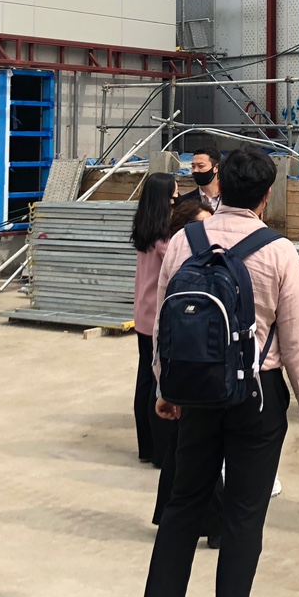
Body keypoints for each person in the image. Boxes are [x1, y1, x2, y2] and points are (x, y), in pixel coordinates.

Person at [144, 149, 299, 597]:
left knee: (185, 502)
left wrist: (165, 386)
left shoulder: (184, 239)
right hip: (258, 394)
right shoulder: (279, 250)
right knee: (245, 514)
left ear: (219, 185)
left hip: (197, 389)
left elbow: (166, 322)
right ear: (267, 196)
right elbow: (297, 338)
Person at [150, 199, 222, 542]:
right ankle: (211, 525)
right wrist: (165, 385)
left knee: (186, 449)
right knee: (194, 451)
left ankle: (176, 518)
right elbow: (162, 326)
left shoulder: (211, 264)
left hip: (199, 364)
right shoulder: (179, 263)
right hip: (185, 366)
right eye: (201, 225)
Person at [132, 172, 179, 467]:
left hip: (142, 314)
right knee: (159, 384)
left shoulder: (144, 227)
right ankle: (161, 452)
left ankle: (146, 447)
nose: (177, 197)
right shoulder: (166, 238)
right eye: (174, 193)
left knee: (145, 381)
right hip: (158, 317)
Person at [176, 147, 223, 213]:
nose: (195, 170)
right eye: (193, 166)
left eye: (201, 166)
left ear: (216, 168)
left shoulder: (232, 198)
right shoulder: (185, 202)